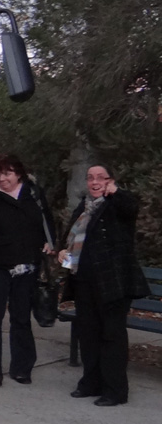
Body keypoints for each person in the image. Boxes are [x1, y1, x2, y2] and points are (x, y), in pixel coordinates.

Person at [57, 164, 148, 407]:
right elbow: (71, 236)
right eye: (90, 178)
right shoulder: (84, 207)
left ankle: (115, 391)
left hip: (113, 284)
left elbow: (132, 208)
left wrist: (115, 192)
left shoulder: (117, 204)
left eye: (101, 178)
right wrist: (64, 251)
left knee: (111, 337)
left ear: (110, 180)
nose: (94, 182)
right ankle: (91, 382)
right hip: (84, 281)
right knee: (88, 335)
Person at [0, 154, 56, 386]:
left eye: (8, 174)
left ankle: (22, 368)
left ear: (19, 174)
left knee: (21, 318)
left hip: (26, 265)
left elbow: (46, 221)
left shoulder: (33, 193)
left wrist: (49, 242)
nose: (2, 179)